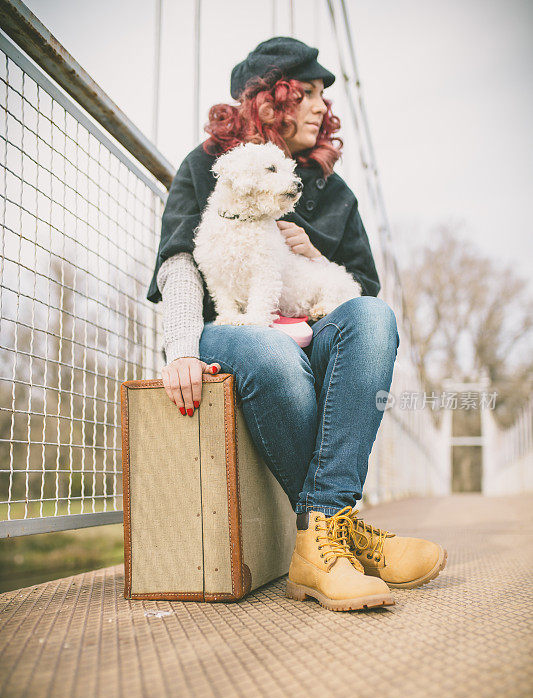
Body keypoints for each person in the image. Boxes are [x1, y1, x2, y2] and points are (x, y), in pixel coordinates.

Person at [147, 37, 447, 612]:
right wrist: (182, 348)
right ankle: (342, 533)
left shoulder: (337, 196)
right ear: (270, 102)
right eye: (304, 94)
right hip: (231, 331)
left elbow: (363, 290)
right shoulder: (206, 166)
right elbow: (179, 260)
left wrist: (313, 257)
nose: (319, 107)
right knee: (270, 350)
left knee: (375, 318)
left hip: (314, 330)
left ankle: (322, 536)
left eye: (322, 98)